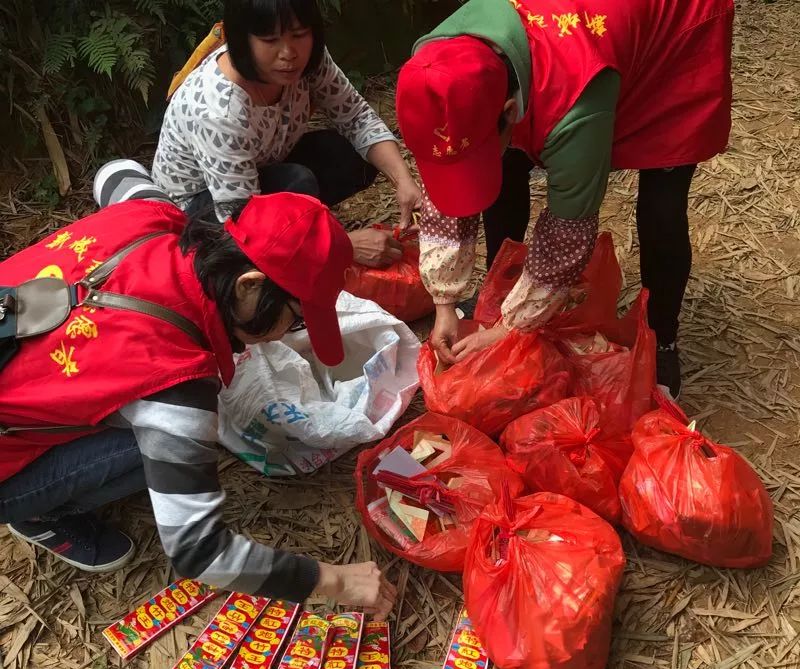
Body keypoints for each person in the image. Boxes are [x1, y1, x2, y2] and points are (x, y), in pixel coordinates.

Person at [0, 192, 396, 618]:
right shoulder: (173, 381)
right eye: (295, 317)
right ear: (249, 285)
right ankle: (40, 514)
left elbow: (115, 173)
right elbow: (198, 551)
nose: (286, 333)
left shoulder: (151, 213)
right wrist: (336, 581)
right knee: (166, 444)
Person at [395, 0, 734, 398]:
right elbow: (448, 178)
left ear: (510, 110)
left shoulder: (575, 103)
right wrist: (444, 300)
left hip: (670, 33)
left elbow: (566, 233)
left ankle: (662, 336)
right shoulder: (439, 69)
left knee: (663, 203)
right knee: (505, 164)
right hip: (570, 47)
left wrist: (510, 327)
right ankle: (499, 291)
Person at [150, 0, 420, 267]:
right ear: (242, 39)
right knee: (296, 184)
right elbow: (241, 226)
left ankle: (302, 225)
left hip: (263, 167)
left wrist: (403, 181)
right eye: (270, 40)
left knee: (351, 156)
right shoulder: (218, 111)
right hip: (202, 210)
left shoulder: (309, 60)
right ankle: (299, 237)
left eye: (299, 34)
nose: (289, 53)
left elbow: (356, 117)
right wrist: (344, 247)